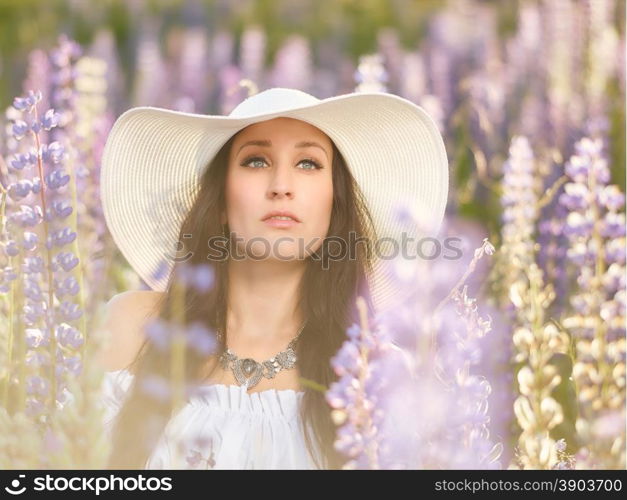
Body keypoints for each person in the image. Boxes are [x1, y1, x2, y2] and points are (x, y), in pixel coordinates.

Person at [96, 87, 449, 469]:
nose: (282, 185)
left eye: (309, 164)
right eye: (256, 161)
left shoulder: (376, 372)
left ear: (335, 204)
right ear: (220, 205)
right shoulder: (134, 327)